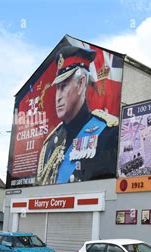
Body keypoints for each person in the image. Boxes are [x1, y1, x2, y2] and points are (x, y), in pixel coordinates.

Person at [37, 46, 119, 185]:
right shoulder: (50, 144)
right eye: (57, 88)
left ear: (81, 84)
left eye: (64, 86)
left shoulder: (107, 133)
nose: (58, 97)